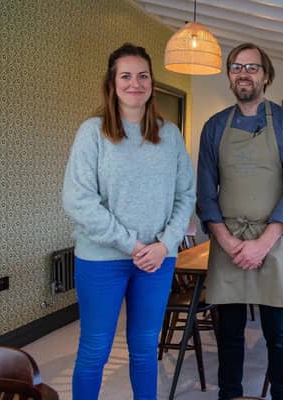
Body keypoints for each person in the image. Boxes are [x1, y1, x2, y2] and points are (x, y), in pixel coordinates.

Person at [62, 43, 195, 400]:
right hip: (102, 260)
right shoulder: (93, 132)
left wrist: (164, 245)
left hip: (157, 261)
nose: (135, 83)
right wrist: (134, 245)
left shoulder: (170, 136)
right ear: (112, 82)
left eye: (142, 76)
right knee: (94, 351)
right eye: (126, 76)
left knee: (144, 349)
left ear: (151, 82)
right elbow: (78, 200)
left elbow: (186, 196)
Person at [197, 43, 283, 400]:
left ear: (266, 76)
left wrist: (263, 243)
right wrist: (229, 242)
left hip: (273, 242)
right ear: (229, 75)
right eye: (236, 67)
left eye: (252, 67)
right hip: (227, 241)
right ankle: (228, 394)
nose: (243, 73)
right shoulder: (214, 127)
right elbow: (205, 193)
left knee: (278, 335)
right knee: (227, 334)